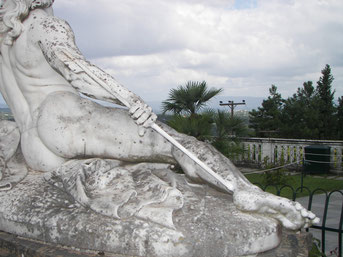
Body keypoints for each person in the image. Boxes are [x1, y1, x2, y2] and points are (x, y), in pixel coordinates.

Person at [0, 0, 318, 230]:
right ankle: (245, 192)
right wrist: (127, 98)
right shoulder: (45, 25)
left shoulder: (5, 41)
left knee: (140, 159)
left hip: (35, 147)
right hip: (65, 118)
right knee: (175, 143)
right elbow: (77, 71)